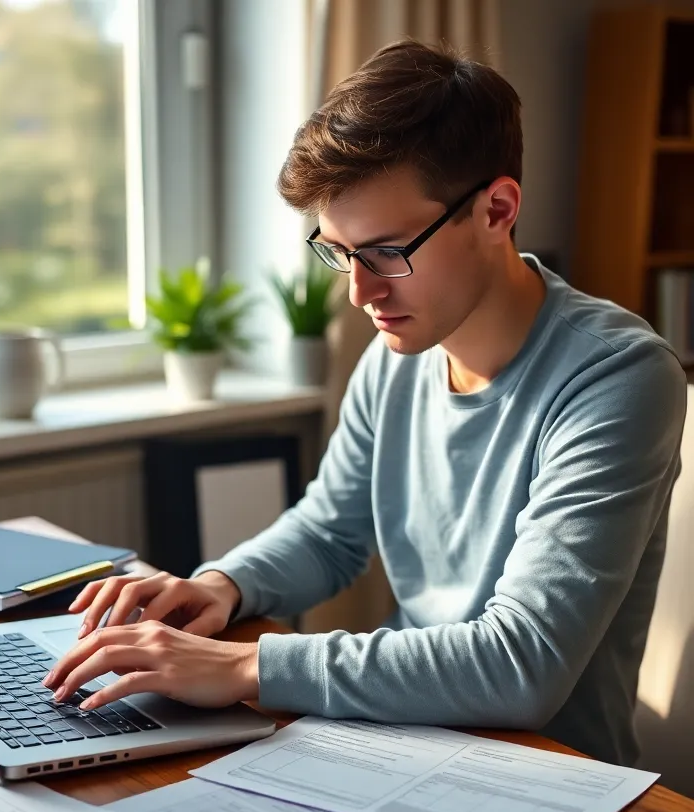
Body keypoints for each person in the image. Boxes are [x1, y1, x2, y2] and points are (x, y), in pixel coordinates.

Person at [42, 40, 686, 766]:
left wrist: (244, 668)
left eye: (385, 252)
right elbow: (329, 532)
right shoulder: (398, 354)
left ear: (497, 209)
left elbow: (521, 665)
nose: (360, 292)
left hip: (555, 778)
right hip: (401, 743)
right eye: (340, 251)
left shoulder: (617, 377)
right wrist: (223, 585)